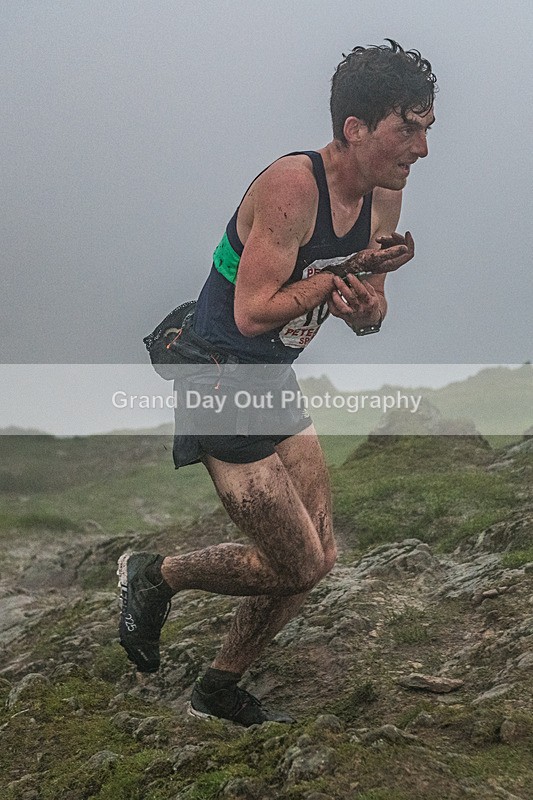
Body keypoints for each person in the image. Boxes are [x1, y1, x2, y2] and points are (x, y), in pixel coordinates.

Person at [118, 39, 437, 726]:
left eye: (426, 128)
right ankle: (155, 575)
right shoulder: (293, 187)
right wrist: (339, 273)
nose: (421, 148)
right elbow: (252, 311)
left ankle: (217, 686)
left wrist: (365, 305)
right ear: (355, 128)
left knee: (319, 554)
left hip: (272, 378)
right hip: (217, 379)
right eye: (407, 129)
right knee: (294, 562)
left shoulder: (384, 194)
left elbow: (370, 312)